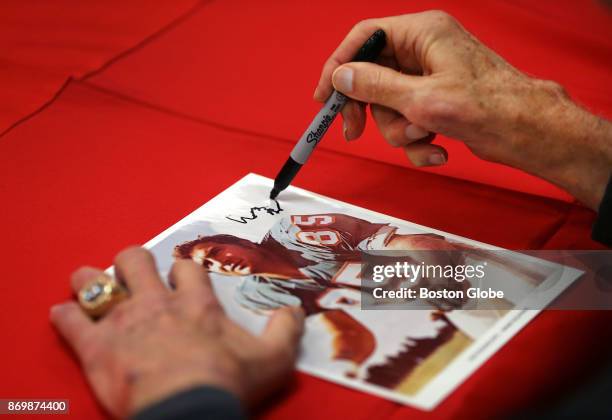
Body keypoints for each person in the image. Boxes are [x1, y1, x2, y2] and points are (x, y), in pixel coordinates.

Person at [51, 11, 611, 420]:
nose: (219, 264)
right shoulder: (283, 300)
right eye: (209, 266)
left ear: (245, 239)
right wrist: (567, 142)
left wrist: (188, 403)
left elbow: (506, 287)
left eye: (215, 250)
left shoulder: (344, 256)